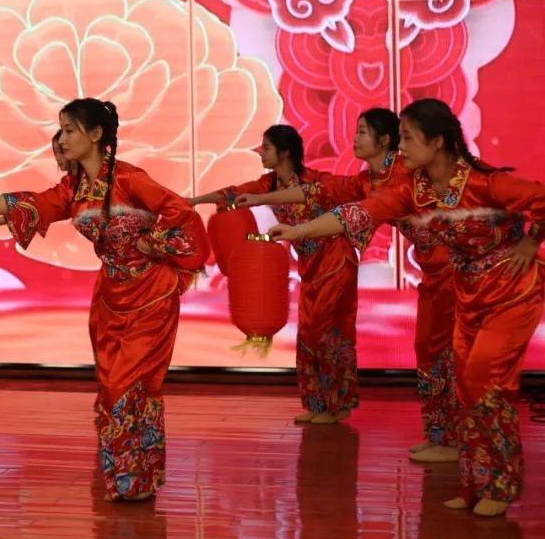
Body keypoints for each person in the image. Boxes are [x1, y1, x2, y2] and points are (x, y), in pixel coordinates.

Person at [268, 98, 545, 517]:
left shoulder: (484, 184)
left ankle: (500, 486)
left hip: (511, 293)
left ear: (437, 142)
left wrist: (530, 241)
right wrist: (301, 229)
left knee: (482, 380)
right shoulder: (413, 191)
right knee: (466, 385)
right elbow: (359, 213)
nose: (402, 147)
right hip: (468, 294)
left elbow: (540, 199)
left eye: (410, 138)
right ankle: (475, 485)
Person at [0, 98, 209, 503]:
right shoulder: (74, 188)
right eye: (61, 130)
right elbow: (30, 203)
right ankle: (137, 475)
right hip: (110, 298)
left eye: (69, 130)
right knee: (112, 384)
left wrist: (155, 243)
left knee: (127, 383)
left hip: (152, 295)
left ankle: (132, 479)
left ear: (95, 135)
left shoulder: (131, 179)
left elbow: (183, 215)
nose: (61, 139)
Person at [236, 109, 458, 459]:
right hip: (435, 272)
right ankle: (441, 436)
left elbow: (351, 215)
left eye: (362, 131)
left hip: (458, 269)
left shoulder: (405, 176)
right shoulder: (367, 181)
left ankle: (452, 440)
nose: (354, 138)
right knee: (429, 350)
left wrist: (298, 230)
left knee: (446, 353)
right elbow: (320, 193)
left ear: (384, 140)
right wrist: (263, 199)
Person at [189, 125, 359, 425]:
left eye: (267, 148)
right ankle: (317, 404)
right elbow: (233, 193)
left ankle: (337, 405)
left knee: (325, 331)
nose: (261, 153)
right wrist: (195, 200)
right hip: (310, 265)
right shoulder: (268, 184)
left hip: (335, 259)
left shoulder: (316, 181)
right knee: (308, 333)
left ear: (285, 152)